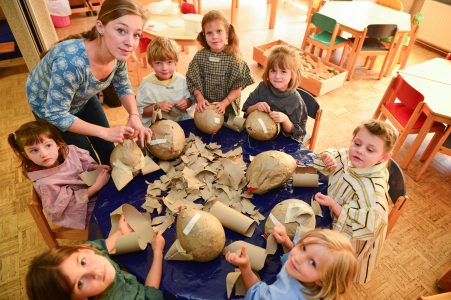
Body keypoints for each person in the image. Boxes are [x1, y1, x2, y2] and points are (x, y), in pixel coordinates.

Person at [26, 0, 152, 165]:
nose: (130, 42)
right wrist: (104, 132)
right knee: (86, 160)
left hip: (82, 97)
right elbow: (56, 113)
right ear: (100, 27)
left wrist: (134, 115)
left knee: (108, 149)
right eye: (121, 30)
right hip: (51, 109)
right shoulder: (71, 63)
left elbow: (122, 84)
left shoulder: (118, 51)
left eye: (136, 34)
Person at [313, 120, 398, 284]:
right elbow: (337, 154)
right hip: (330, 212)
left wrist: (334, 206)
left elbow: (368, 226)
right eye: (357, 143)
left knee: (329, 267)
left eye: (370, 150)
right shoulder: (351, 157)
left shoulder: (374, 192)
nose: (360, 151)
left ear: (384, 157)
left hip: (350, 236)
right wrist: (327, 157)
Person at [26, 214, 165, 300]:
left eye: (83, 262)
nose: (96, 272)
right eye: (79, 283)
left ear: (83, 250)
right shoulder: (124, 297)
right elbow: (150, 291)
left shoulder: (90, 250)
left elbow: (102, 247)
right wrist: (157, 251)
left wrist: (120, 232)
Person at [8, 120, 110, 230]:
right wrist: (96, 187)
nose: (44, 154)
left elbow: (83, 164)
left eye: (48, 145)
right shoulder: (45, 183)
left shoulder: (70, 151)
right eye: (34, 150)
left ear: (57, 144)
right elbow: (67, 206)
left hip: (94, 192)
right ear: (26, 155)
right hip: (84, 211)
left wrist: (95, 168)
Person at [226, 224, 357, 300]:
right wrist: (287, 242)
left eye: (312, 263)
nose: (298, 258)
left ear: (322, 280)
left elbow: (255, 294)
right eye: (303, 247)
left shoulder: (283, 297)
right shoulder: (307, 273)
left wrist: (245, 267)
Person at [186, 10, 254, 116]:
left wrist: (224, 103)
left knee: (228, 130)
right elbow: (193, 81)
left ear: (227, 32)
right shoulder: (199, 56)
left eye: (219, 31)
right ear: (204, 35)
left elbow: (237, 87)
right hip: (205, 105)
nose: (214, 36)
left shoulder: (235, 58)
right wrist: (200, 99)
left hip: (228, 106)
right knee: (203, 127)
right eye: (209, 33)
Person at [242, 45, 307, 142]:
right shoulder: (263, 87)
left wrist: (285, 120)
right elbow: (246, 110)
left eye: (283, 72)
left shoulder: (295, 101)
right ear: (267, 72)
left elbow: (297, 132)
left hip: (280, 143)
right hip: (256, 133)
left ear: (292, 75)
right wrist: (256, 106)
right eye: (273, 71)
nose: (277, 76)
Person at [136, 37, 193, 128]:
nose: (164, 68)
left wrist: (187, 102)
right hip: (156, 127)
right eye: (158, 63)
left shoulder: (182, 81)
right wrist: (156, 107)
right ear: (151, 63)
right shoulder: (146, 85)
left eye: (169, 62)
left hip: (180, 123)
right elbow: (140, 112)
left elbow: (191, 99)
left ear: (176, 62)